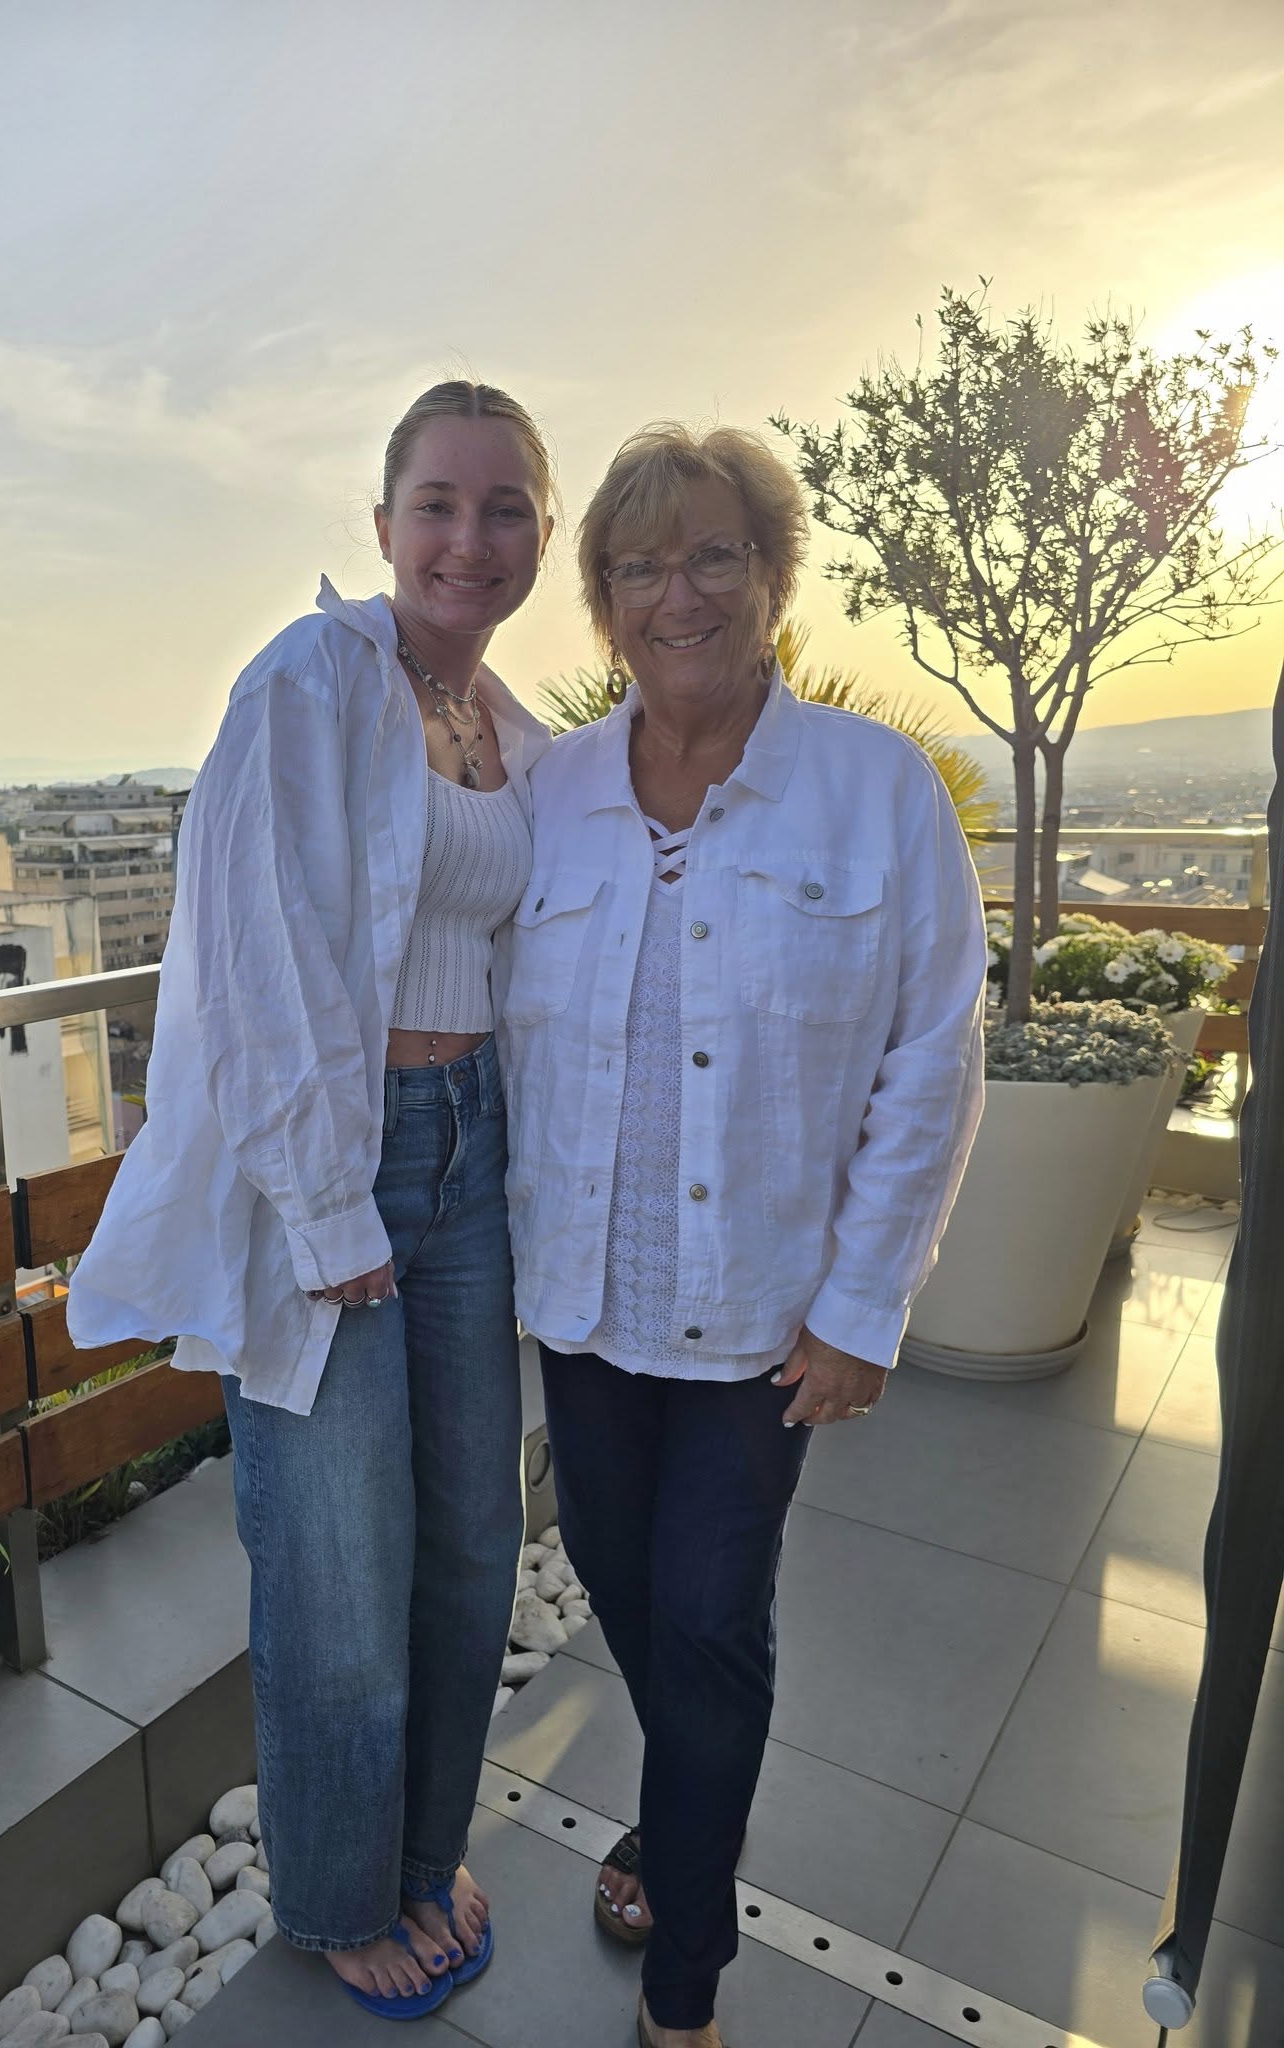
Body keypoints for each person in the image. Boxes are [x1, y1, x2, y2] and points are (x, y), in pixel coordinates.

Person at [68, 381, 555, 2022]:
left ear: (539, 539)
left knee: (474, 1531)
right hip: (339, 1163)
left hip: (474, 1154)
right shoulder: (307, 683)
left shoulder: (521, 732)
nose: (467, 539)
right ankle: (342, 1894)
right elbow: (250, 963)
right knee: (339, 1558)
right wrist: (330, 1213)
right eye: (438, 502)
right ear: (382, 525)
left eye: (504, 509)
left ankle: (424, 1849)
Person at [499, 423, 986, 2048]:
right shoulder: (550, 792)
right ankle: (680, 1803)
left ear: (773, 579)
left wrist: (866, 1306)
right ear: (606, 602)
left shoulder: (874, 794)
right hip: (582, 1303)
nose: (679, 592)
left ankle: (687, 1990)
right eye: (641, 565)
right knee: (640, 1607)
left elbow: (934, 1053)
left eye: (715, 555)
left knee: (710, 1620)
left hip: (760, 1318)